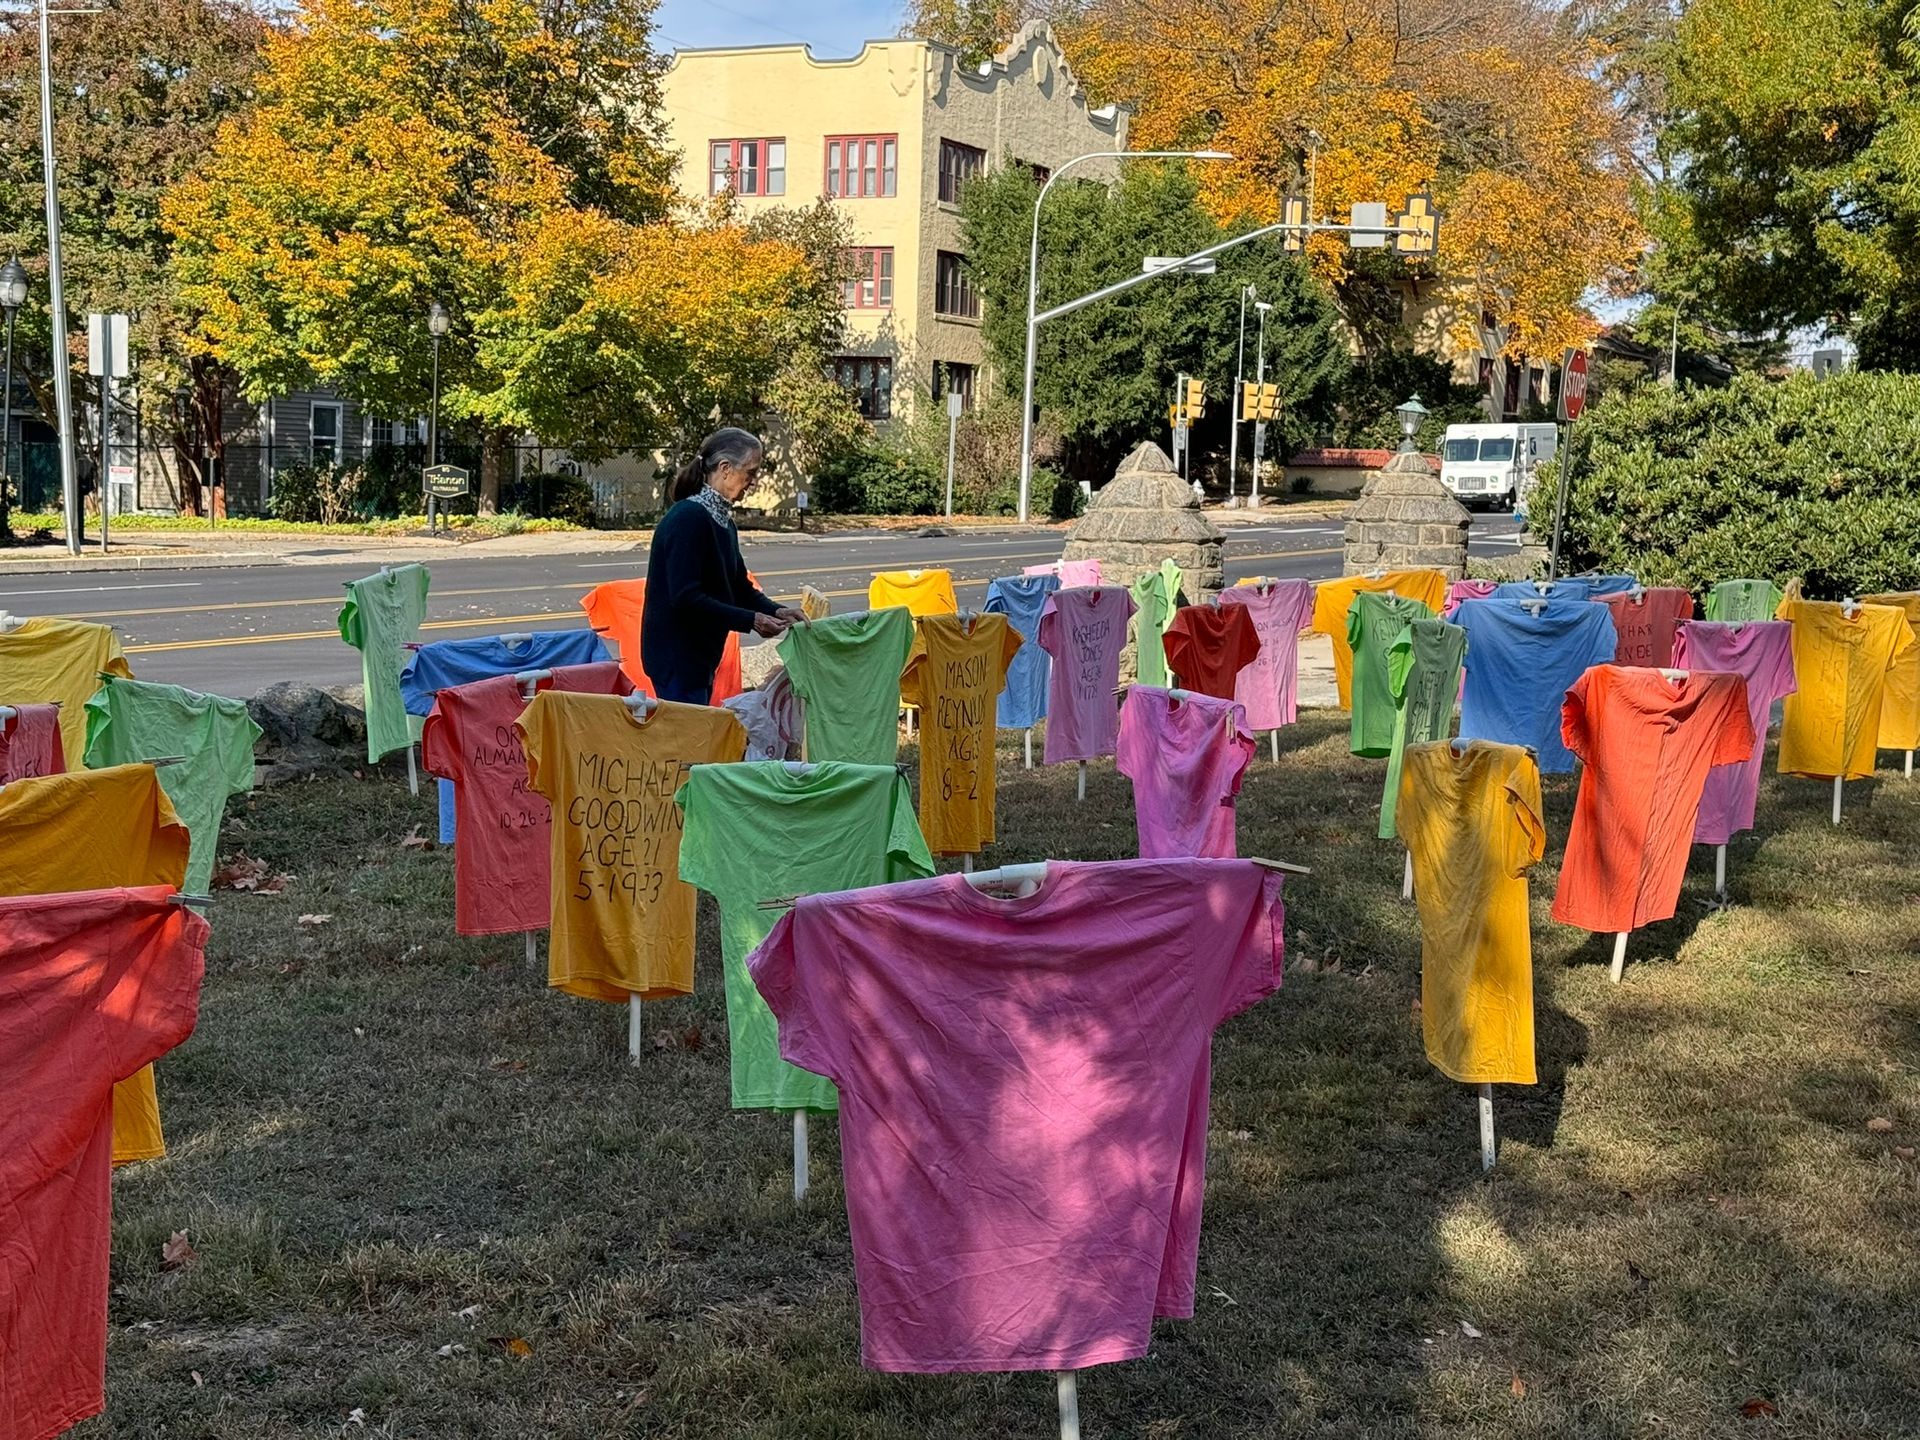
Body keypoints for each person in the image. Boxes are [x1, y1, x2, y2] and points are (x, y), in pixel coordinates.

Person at [640, 427, 803, 704]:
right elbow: (685, 597)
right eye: (750, 472)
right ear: (725, 468)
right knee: (686, 742)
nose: (753, 482)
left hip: (699, 655)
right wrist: (751, 620)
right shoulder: (689, 517)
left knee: (695, 740)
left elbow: (739, 587)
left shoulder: (722, 520)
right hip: (677, 657)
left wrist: (776, 610)